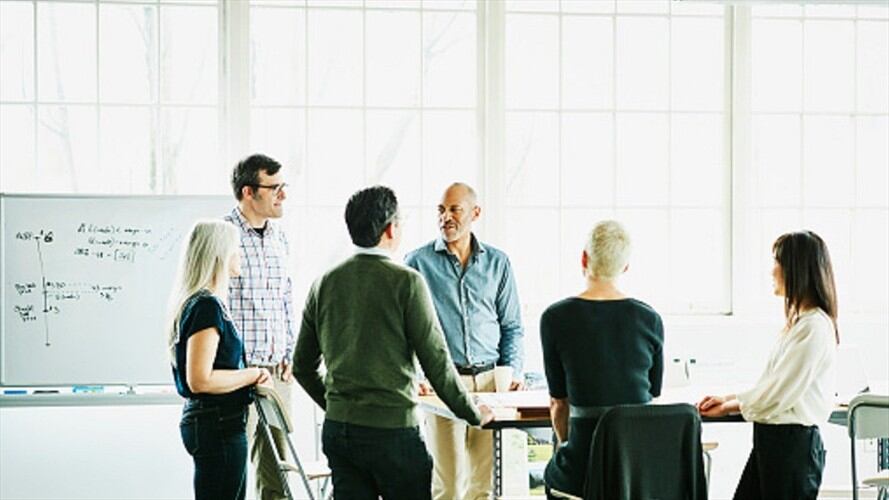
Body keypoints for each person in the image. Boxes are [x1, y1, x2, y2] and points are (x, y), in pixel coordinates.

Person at [293, 185, 494, 500]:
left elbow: (301, 367)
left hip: (340, 431)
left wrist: (336, 406)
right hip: (393, 434)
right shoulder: (407, 282)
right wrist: (473, 412)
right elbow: (437, 362)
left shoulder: (324, 284)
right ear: (390, 229)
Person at [404, 182, 524, 500]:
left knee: (483, 485)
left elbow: (512, 326)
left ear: (475, 213)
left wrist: (514, 372)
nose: (446, 217)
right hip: (444, 383)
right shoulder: (417, 262)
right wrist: (417, 376)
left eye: (454, 209)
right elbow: (406, 330)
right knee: (449, 483)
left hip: (490, 383)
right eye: (441, 210)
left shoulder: (498, 263)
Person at [697, 230, 838, 500]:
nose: (772, 271)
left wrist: (728, 406)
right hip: (773, 444)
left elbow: (778, 394)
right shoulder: (799, 325)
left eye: (777, 261)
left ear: (795, 268)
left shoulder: (814, 327)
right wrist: (728, 399)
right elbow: (772, 385)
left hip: (792, 448)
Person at [539, 220, 664, 498]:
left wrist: (566, 444)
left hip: (581, 467)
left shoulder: (554, 318)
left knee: (551, 474)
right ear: (625, 267)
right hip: (635, 470)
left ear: (584, 258)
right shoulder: (649, 319)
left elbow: (558, 403)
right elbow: (651, 397)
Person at [167, 220, 273, 500]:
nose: (240, 255)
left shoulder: (202, 303)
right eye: (235, 249)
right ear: (220, 255)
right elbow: (200, 379)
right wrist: (253, 374)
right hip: (217, 423)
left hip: (215, 422)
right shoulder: (206, 306)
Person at [225, 153, 295, 500]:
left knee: (277, 470)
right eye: (275, 187)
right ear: (249, 191)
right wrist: (232, 365)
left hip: (276, 372)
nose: (283, 194)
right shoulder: (223, 236)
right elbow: (215, 305)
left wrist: (290, 350)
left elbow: (287, 297)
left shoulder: (280, 237)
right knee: (233, 465)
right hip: (237, 372)